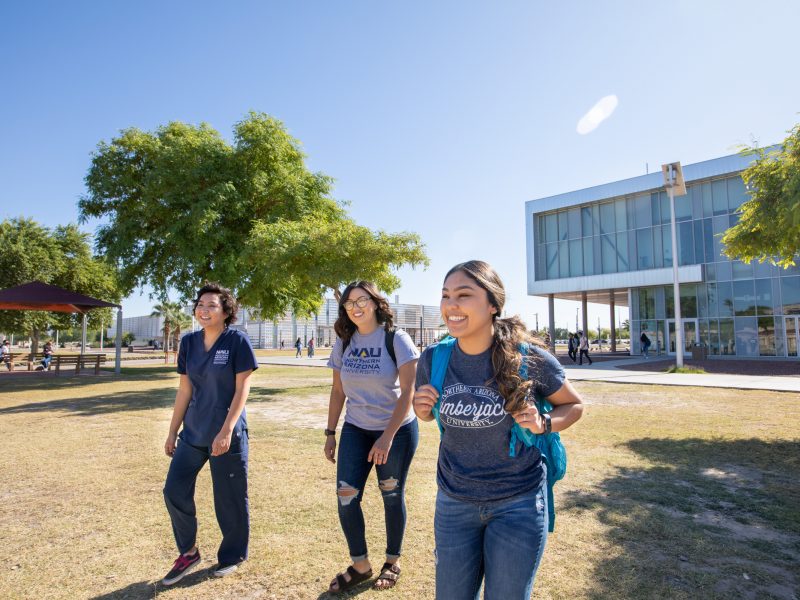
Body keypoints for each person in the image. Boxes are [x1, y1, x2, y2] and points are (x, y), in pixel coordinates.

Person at [413, 260, 583, 600]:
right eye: (446, 296)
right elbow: (433, 416)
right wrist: (423, 411)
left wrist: (543, 423)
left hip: (517, 503)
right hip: (454, 501)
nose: (451, 305)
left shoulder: (528, 358)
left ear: (493, 305)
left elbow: (574, 406)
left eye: (464, 295)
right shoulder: (433, 359)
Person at [324, 280, 420, 593]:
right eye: (349, 302)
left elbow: (409, 391)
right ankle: (361, 565)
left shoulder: (396, 338)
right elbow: (338, 390)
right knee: (346, 497)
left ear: (376, 303)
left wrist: (387, 437)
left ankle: (392, 561)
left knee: (391, 493)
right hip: (356, 428)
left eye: (362, 300)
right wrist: (330, 432)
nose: (355, 306)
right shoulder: (344, 341)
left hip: (396, 429)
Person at [160, 282, 258, 586]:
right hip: (194, 432)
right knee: (174, 490)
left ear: (226, 311)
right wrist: (172, 431)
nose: (204, 310)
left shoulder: (237, 341)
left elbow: (243, 389)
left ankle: (232, 555)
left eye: (212, 305)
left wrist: (227, 429)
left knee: (228, 497)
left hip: (226, 434)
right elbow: (185, 389)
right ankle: (188, 552)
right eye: (200, 304)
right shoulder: (188, 343)